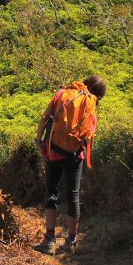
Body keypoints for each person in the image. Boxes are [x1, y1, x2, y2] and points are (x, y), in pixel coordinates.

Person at [33, 74, 107, 255]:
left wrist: (39, 140)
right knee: (73, 196)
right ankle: (71, 242)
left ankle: (49, 240)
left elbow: (44, 118)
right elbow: (89, 139)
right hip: (75, 155)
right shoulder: (92, 107)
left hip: (54, 152)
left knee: (52, 192)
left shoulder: (63, 94)